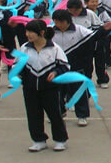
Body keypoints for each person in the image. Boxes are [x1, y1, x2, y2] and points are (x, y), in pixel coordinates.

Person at [18, 19, 70, 152]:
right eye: (27, 31)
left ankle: (60, 140)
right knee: (33, 114)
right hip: (30, 88)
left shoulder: (54, 48)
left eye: (31, 32)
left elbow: (65, 66)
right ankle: (39, 140)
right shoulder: (25, 48)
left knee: (54, 114)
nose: (28, 34)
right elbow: (18, 66)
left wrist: (56, 72)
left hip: (50, 89)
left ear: (41, 32)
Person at [51, 9, 97, 127]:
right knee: (57, 92)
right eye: (55, 22)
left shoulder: (80, 31)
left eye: (61, 22)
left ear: (68, 21)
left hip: (76, 67)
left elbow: (93, 41)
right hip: (58, 68)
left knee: (79, 91)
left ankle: (82, 116)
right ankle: (59, 112)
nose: (58, 25)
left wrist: (85, 64)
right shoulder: (50, 32)